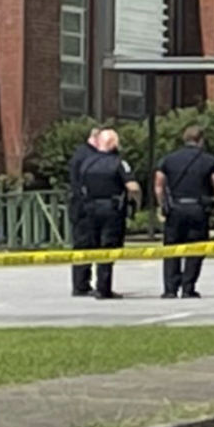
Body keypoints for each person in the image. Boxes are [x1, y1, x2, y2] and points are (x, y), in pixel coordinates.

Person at [156, 123, 214, 299]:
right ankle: (188, 287)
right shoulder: (210, 161)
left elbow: (158, 186)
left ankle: (170, 288)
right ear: (200, 140)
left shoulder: (167, 159)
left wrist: (162, 205)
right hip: (198, 209)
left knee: (171, 248)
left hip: (175, 208)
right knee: (196, 248)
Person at [67, 127, 138, 299]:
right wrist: (136, 203)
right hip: (111, 210)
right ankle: (103, 288)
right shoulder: (118, 162)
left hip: (87, 209)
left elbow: (77, 184)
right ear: (114, 145)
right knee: (107, 248)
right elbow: (133, 187)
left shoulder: (85, 162)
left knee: (85, 246)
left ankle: (80, 284)